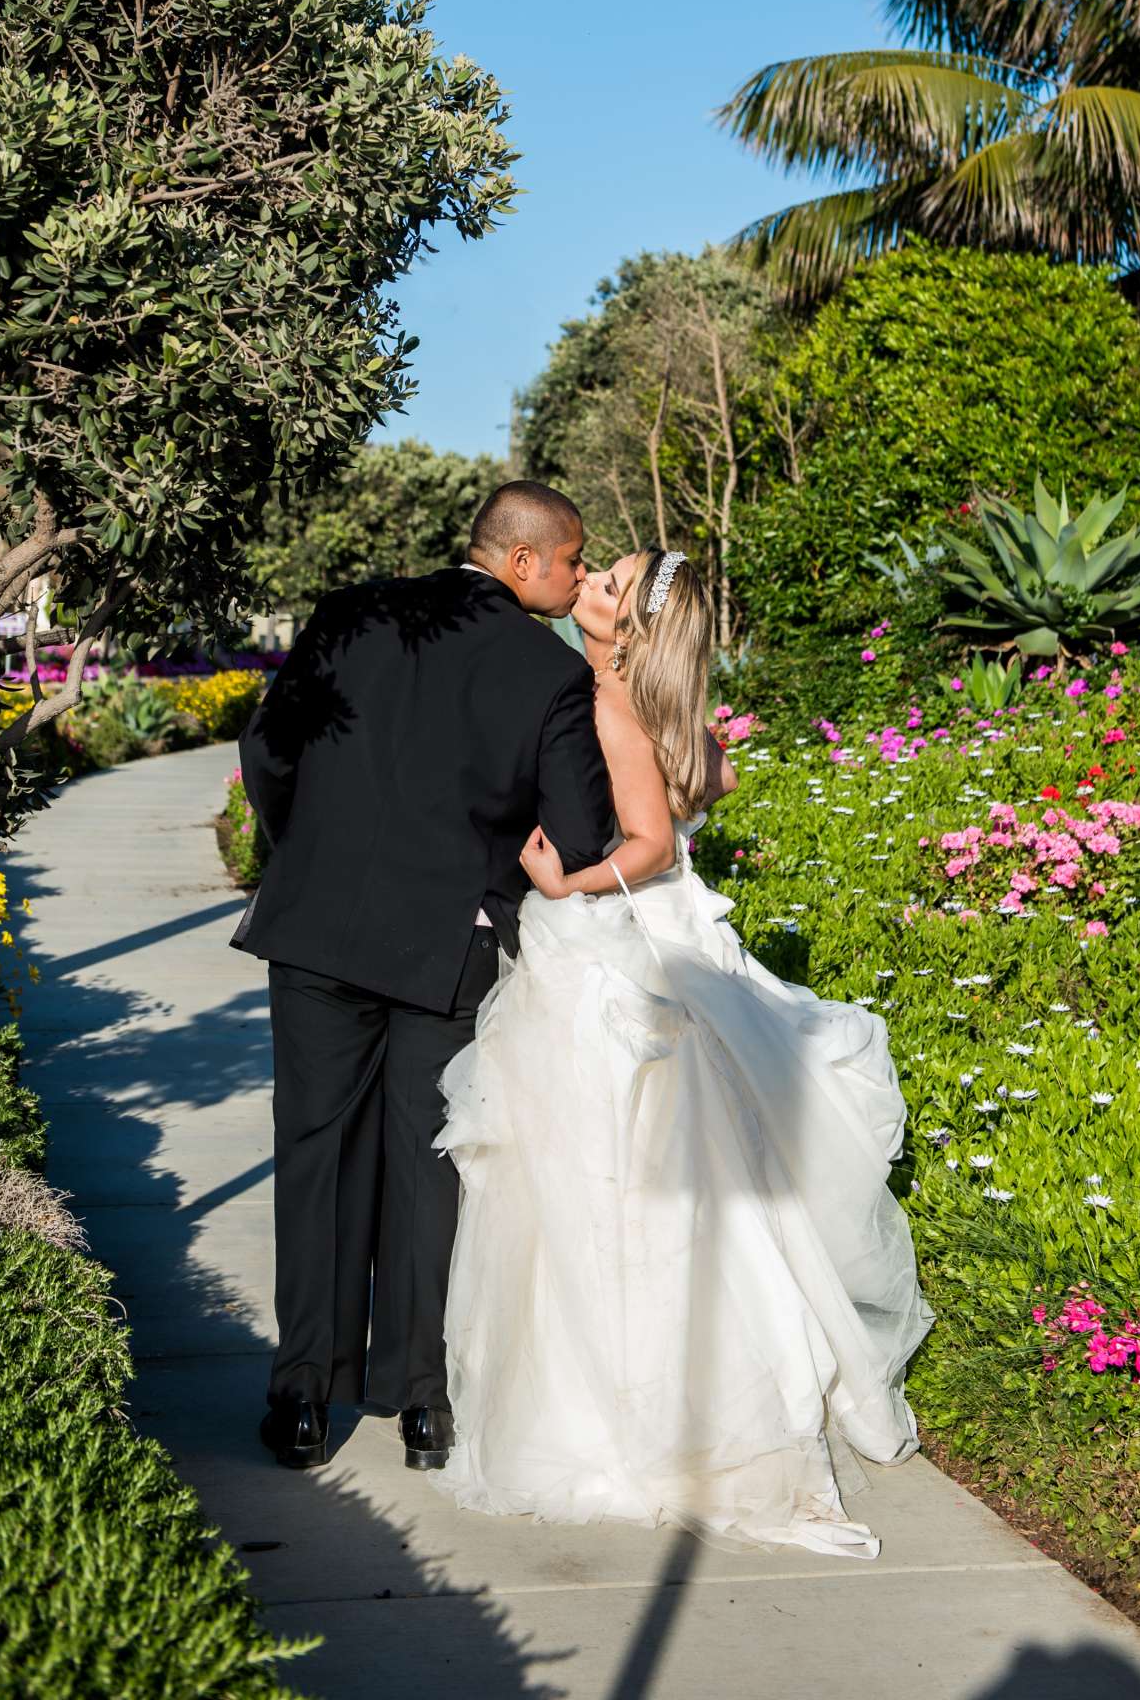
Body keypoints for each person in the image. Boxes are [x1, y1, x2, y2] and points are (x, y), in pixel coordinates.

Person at [436, 547, 933, 1552]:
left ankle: (625, 1402)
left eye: (606, 584)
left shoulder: (605, 701)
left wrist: (567, 886)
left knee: (602, 1173)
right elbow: (708, 786)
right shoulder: (675, 716)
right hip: (678, 936)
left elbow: (653, 845)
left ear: (631, 628)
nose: (585, 586)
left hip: (624, 947)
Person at [232, 482, 612, 1472]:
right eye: (572, 559)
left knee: (314, 1155)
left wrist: (300, 851)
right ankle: (421, 1405)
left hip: (317, 931)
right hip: (451, 942)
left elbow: (267, 746)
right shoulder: (548, 672)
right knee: (429, 1165)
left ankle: (303, 1397)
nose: (579, 577)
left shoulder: (352, 614)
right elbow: (573, 838)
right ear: (522, 561)